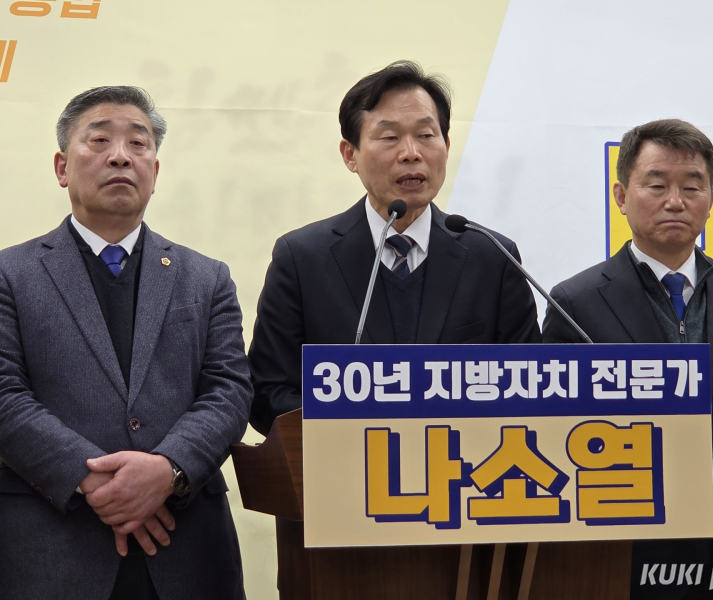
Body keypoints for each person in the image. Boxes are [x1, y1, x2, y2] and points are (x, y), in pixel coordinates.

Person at [247, 60, 540, 597]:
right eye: (389, 137)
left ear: (445, 145)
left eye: (426, 135)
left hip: (465, 526)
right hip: (339, 528)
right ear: (350, 154)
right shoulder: (302, 257)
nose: (411, 152)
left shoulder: (492, 257)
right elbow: (267, 392)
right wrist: (361, 439)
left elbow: (527, 386)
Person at [0, 86, 252, 600]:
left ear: (154, 172)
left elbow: (229, 390)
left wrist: (167, 469)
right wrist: (96, 481)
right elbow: (4, 394)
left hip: (187, 545)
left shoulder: (206, 277)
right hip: (50, 544)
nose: (120, 156)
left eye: (138, 144)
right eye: (99, 140)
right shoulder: (10, 274)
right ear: (62, 167)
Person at [542, 118, 713, 600]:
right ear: (621, 196)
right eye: (656, 185)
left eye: (692, 187)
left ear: (712, 199)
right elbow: (556, 435)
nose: (676, 201)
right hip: (629, 550)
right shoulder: (575, 303)